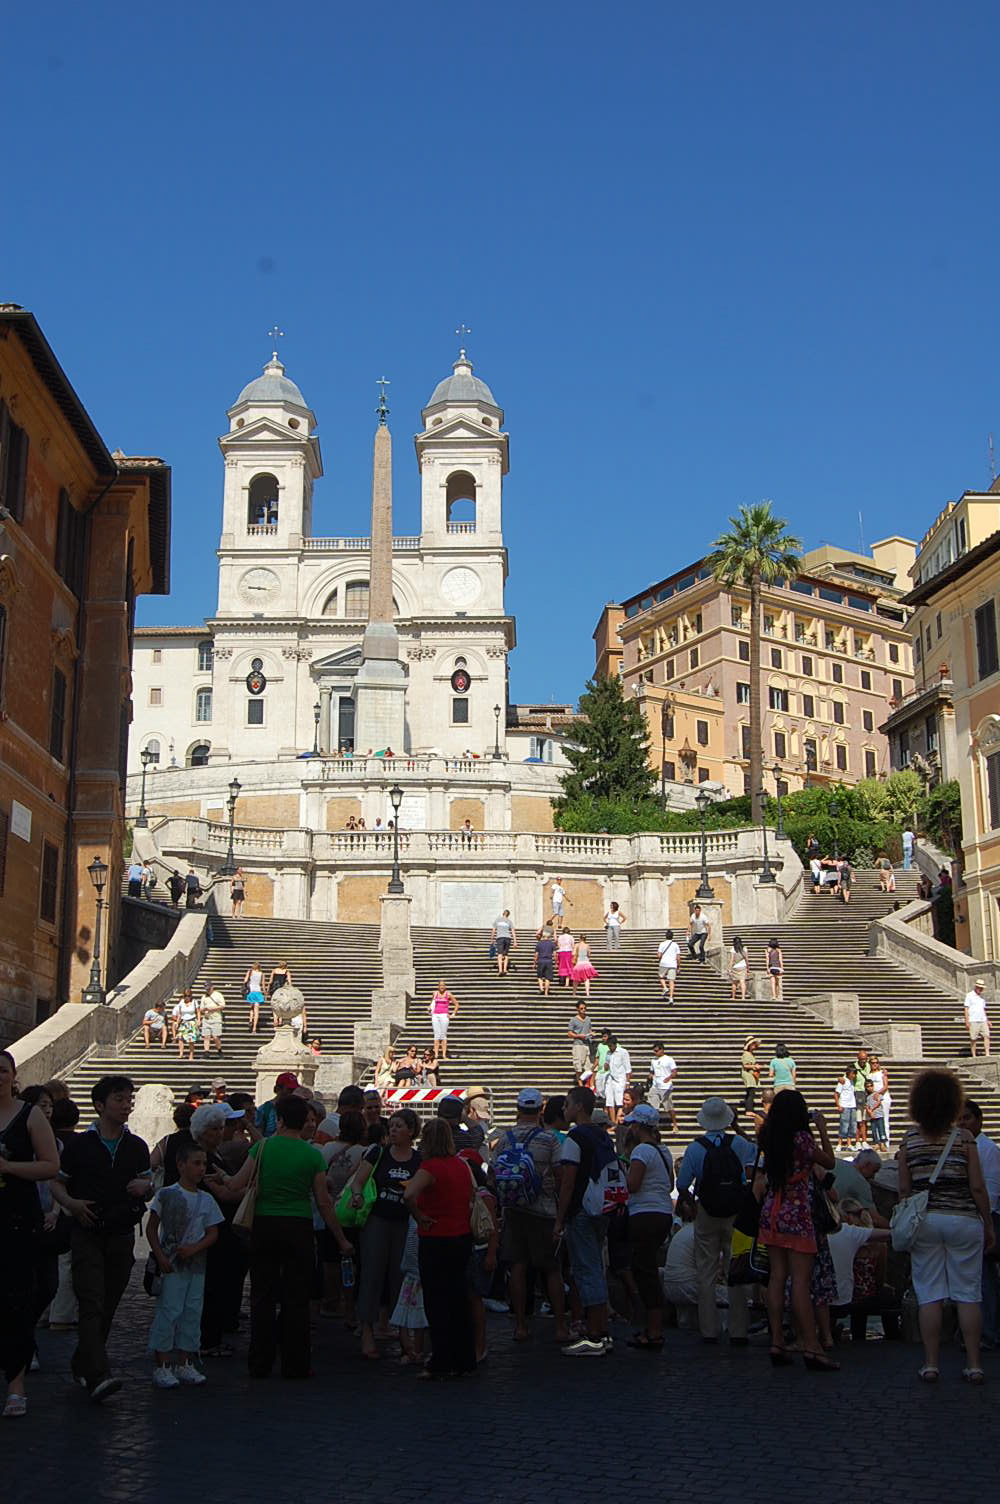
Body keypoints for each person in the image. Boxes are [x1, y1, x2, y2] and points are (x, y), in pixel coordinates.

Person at [227, 1094, 352, 1379]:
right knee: (297, 1298)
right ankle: (295, 1364)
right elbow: (323, 1202)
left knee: (262, 1295)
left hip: (264, 1224)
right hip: (299, 1226)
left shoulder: (262, 1148)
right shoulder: (312, 1155)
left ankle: (259, 1362)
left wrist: (220, 1177)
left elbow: (237, 1184)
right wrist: (341, 1239)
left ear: (280, 1120)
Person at [54, 1074, 152, 1402]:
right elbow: (57, 1182)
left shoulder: (136, 1146)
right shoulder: (80, 1145)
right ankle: (98, 1374)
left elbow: (147, 1182)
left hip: (122, 1233)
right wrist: (70, 1204)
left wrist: (146, 1188)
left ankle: (83, 1363)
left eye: (129, 1100)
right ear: (100, 1105)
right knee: (91, 1300)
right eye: (119, 1100)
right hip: (87, 1230)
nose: (126, 1106)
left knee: (108, 1303)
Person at [898, 1068, 994, 1383]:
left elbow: (903, 1190)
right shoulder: (965, 1139)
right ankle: (975, 1363)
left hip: (925, 1220)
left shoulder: (909, 1140)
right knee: (968, 1293)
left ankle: (931, 1363)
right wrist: (988, 1225)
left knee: (930, 1294)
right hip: (964, 1218)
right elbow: (978, 1187)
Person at [758, 1089, 838, 1369]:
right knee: (801, 1282)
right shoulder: (801, 1139)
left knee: (777, 1277)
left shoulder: (768, 1135)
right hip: (797, 1210)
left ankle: (777, 1340)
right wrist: (822, 1130)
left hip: (772, 1209)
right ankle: (812, 1346)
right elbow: (829, 1162)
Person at [0, 1050, 60, 1418]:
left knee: (16, 1301)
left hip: (17, 1220)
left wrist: (9, 1166)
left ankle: (16, 1383)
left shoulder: (29, 1115)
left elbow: (51, 1165)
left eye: (2, 1071)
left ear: (12, 1075)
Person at [675, 1097, 756, 1345]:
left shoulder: (695, 1148)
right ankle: (739, 1329)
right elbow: (754, 1168)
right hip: (736, 1212)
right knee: (737, 1267)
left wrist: (692, 1202)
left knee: (706, 1270)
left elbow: (681, 1184)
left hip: (707, 1211)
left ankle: (709, 1329)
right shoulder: (740, 1144)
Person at [490, 1087, 569, 1343]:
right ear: (540, 1110)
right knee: (551, 1269)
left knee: (518, 1267)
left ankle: (521, 1326)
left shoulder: (505, 1138)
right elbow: (560, 1176)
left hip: (514, 1210)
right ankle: (560, 1326)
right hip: (544, 1210)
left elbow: (493, 1175)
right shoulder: (549, 1140)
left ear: (517, 1109)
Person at [146, 1139, 223, 1387]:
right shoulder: (167, 1194)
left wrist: (194, 1249)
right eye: (196, 1163)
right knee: (169, 1311)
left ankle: (185, 1361)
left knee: (192, 1312)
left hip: (196, 1265)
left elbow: (213, 1232)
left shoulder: (207, 1200)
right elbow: (152, 1228)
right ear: (181, 1165)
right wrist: (159, 1256)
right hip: (172, 1264)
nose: (201, 1169)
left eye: (204, 1164)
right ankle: (163, 1364)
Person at [403, 1119, 476, 1379]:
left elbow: (408, 1195)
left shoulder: (430, 1167)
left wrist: (419, 1215)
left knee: (437, 1300)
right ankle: (465, 1358)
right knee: (459, 1298)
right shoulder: (460, 1165)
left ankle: (442, 1358)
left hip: (436, 1236)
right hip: (461, 1235)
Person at [347, 1107, 422, 1359]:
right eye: (392, 1126)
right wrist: (357, 1195)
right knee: (372, 1272)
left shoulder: (418, 1159)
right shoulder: (378, 1152)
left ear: (411, 1131)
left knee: (400, 1277)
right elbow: (359, 1180)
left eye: (400, 1126)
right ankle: (367, 1328)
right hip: (377, 1220)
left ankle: (401, 1331)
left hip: (405, 1222)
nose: (393, 1130)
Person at [554, 1085, 617, 1356]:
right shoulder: (602, 1135)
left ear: (579, 1107)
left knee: (586, 1268)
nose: (564, 1109)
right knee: (595, 1267)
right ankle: (601, 1329)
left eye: (567, 1103)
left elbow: (568, 1182)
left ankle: (594, 1334)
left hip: (581, 1209)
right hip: (602, 1207)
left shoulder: (575, 1138)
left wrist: (559, 1218)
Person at [623, 1102, 674, 1348]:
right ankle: (653, 1327)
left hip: (644, 1213)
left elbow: (632, 1185)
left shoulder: (641, 1151)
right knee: (648, 1268)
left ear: (637, 1126)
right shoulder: (663, 1151)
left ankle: (654, 1330)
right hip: (663, 1212)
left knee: (645, 1272)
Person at [958, 1098, 1000, 1348]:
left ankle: (988, 1331)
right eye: (959, 1119)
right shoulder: (965, 1147)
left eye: (967, 1118)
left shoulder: (988, 1151)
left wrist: (987, 1223)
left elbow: (991, 1191)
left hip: (985, 1218)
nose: (962, 1123)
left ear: (979, 1120)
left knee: (984, 1278)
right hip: (969, 1218)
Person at [256, 1072, 299, 1139]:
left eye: (294, 1089)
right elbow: (258, 1137)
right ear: (278, 1089)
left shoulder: (298, 1108)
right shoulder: (264, 1109)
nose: (293, 1093)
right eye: (289, 1089)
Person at [647, 1042, 678, 1132]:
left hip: (666, 1087)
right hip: (655, 1086)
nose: (655, 1053)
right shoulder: (653, 1060)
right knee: (654, 1107)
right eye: (654, 1051)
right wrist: (650, 1076)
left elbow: (674, 1071)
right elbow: (652, 1071)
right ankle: (654, 1126)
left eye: (656, 1051)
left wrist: (669, 1077)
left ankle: (675, 1124)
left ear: (662, 1050)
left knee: (668, 1107)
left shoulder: (669, 1059)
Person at [604, 1034, 632, 1124]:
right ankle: (613, 1122)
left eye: (611, 1045)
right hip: (610, 1079)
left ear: (615, 1044)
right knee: (609, 1102)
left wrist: (627, 1082)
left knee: (619, 1102)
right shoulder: (608, 1053)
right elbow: (606, 1068)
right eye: (608, 1046)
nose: (610, 1047)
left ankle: (617, 1122)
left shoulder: (623, 1052)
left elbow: (628, 1068)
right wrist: (606, 1063)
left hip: (620, 1079)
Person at [429, 980, 459, 1062]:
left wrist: (453, 1014)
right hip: (435, 1015)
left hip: (444, 1015)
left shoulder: (448, 994)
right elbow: (432, 1003)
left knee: (443, 1034)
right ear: (438, 986)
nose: (441, 987)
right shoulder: (435, 993)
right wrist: (429, 1008)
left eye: (443, 985)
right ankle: (435, 1055)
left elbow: (456, 1004)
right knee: (436, 1034)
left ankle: (443, 1054)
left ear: (445, 986)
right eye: (440, 985)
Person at [568, 1000, 593, 1086]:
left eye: (585, 1008)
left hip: (587, 1044)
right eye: (581, 1008)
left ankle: (586, 1082)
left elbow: (589, 1029)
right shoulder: (573, 1020)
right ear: (577, 1009)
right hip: (578, 1044)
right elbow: (569, 1033)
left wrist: (591, 1034)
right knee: (578, 1066)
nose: (583, 1010)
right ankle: (580, 1083)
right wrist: (578, 1036)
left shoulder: (588, 1019)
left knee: (589, 1066)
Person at [964, 980, 991, 1059]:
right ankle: (974, 1055)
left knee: (987, 1036)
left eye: (982, 988)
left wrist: (987, 1020)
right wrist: (967, 1021)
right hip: (973, 1019)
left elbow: (983, 1010)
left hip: (982, 1019)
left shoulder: (982, 998)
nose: (981, 989)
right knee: (973, 1038)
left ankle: (987, 1053)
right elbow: (966, 1008)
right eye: (979, 988)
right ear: (976, 987)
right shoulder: (969, 995)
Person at [834, 1068, 858, 1151]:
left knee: (852, 1125)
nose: (854, 1075)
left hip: (852, 1106)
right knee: (844, 1125)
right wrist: (839, 1105)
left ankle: (849, 1143)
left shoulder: (852, 1082)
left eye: (854, 1074)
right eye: (852, 1074)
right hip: (844, 1105)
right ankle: (839, 1143)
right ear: (848, 1074)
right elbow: (836, 1094)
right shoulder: (843, 1081)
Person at [571, 932, 598, 999]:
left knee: (575, 979)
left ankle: (574, 992)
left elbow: (573, 953)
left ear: (580, 938)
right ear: (585, 939)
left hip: (579, 963)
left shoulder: (577, 945)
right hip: (586, 963)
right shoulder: (587, 945)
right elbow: (589, 954)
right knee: (587, 979)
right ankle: (587, 993)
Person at [199, 987, 225, 1056]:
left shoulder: (218, 995)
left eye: (208, 988)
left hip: (216, 1018)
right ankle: (206, 1052)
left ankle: (219, 1050)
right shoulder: (204, 997)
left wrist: (212, 1008)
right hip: (207, 1018)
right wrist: (204, 1009)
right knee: (206, 1036)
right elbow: (201, 1008)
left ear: (212, 987)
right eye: (206, 989)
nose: (207, 990)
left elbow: (222, 1005)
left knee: (215, 1036)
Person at [740, 1036, 761, 1115]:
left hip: (751, 1074)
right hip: (748, 1074)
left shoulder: (750, 1054)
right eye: (753, 1044)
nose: (754, 1046)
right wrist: (754, 1066)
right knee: (751, 1092)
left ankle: (749, 1109)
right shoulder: (746, 1054)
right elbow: (745, 1065)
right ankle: (749, 1110)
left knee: (750, 1092)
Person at [491, 911, 517, 975]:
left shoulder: (497, 920)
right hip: (508, 938)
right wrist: (515, 941)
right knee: (506, 954)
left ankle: (500, 970)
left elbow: (493, 930)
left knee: (500, 954)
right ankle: (505, 970)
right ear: (508, 915)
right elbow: (513, 931)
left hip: (500, 938)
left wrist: (492, 939)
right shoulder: (509, 921)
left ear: (503, 914)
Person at [657, 928, 680, 1001]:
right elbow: (678, 957)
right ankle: (671, 998)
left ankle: (665, 987)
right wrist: (678, 966)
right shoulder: (675, 945)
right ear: (672, 936)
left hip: (664, 963)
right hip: (673, 964)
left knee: (661, 976)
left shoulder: (662, 944)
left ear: (665, 936)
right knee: (671, 981)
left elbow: (659, 955)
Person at [244, 962, 265, 1035]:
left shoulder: (250, 972)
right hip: (258, 991)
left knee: (251, 1008)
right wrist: (265, 992)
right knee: (257, 1011)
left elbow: (245, 981)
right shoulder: (261, 974)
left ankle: (250, 1020)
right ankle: (254, 1028)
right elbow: (263, 984)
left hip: (251, 991)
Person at [534, 926, 556, 996]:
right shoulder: (552, 944)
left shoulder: (539, 943)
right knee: (548, 977)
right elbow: (555, 954)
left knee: (540, 976)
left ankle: (541, 988)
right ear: (549, 937)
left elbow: (536, 955)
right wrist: (556, 963)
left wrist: (534, 963)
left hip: (540, 961)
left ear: (543, 936)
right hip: (549, 961)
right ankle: (546, 992)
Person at [729, 935, 749, 1000]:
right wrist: (748, 968)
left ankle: (733, 997)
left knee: (734, 982)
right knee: (742, 981)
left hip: (735, 967)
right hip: (743, 966)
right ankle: (743, 997)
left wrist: (729, 968)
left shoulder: (733, 949)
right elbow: (746, 959)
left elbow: (732, 960)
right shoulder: (744, 948)